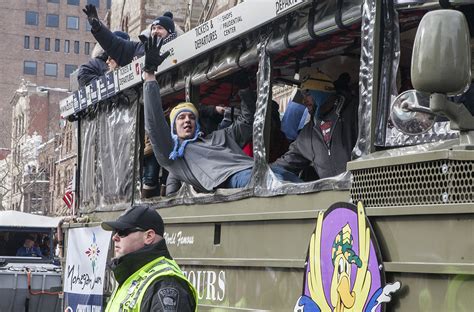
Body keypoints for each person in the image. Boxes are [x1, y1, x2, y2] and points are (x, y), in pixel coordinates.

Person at [142, 37, 301, 195]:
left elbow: (247, 121)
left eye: (191, 117)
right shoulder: (173, 154)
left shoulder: (219, 136)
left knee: (292, 179)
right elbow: (154, 126)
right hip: (234, 178)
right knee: (273, 182)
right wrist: (149, 75)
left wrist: (244, 89)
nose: (187, 120)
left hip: (256, 168)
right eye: (181, 118)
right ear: (173, 128)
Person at [101, 205, 197, 311]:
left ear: (149, 236)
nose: (115, 237)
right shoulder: (131, 276)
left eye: (122, 232)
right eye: (115, 232)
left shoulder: (165, 283)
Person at [273, 70, 358, 180]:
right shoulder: (308, 133)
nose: (304, 101)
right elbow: (290, 160)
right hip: (333, 195)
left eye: (307, 94)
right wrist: (265, 171)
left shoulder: (353, 112)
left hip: (362, 190)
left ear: (321, 92)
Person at [82, 4, 177, 66]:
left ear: (169, 32)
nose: (155, 31)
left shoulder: (177, 47)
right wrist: (98, 27)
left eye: (160, 28)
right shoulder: (138, 48)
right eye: (153, 28)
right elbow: (114, 43)